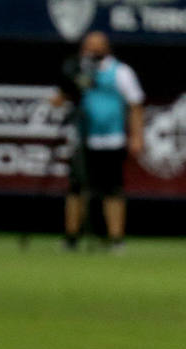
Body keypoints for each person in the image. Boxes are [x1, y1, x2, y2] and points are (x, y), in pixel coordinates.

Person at [54, 31, 145, 252]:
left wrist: (137, 136)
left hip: (111, 138)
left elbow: (135, 104)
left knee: (112, 189)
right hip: (83, 137)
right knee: (76, 188)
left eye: (97, 45)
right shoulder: (78, 70)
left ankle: (115, 239)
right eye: (89, 45)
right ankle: (72, 237)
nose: (92, 49)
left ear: (107, 48)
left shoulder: (121, 72)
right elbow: (61, 97)